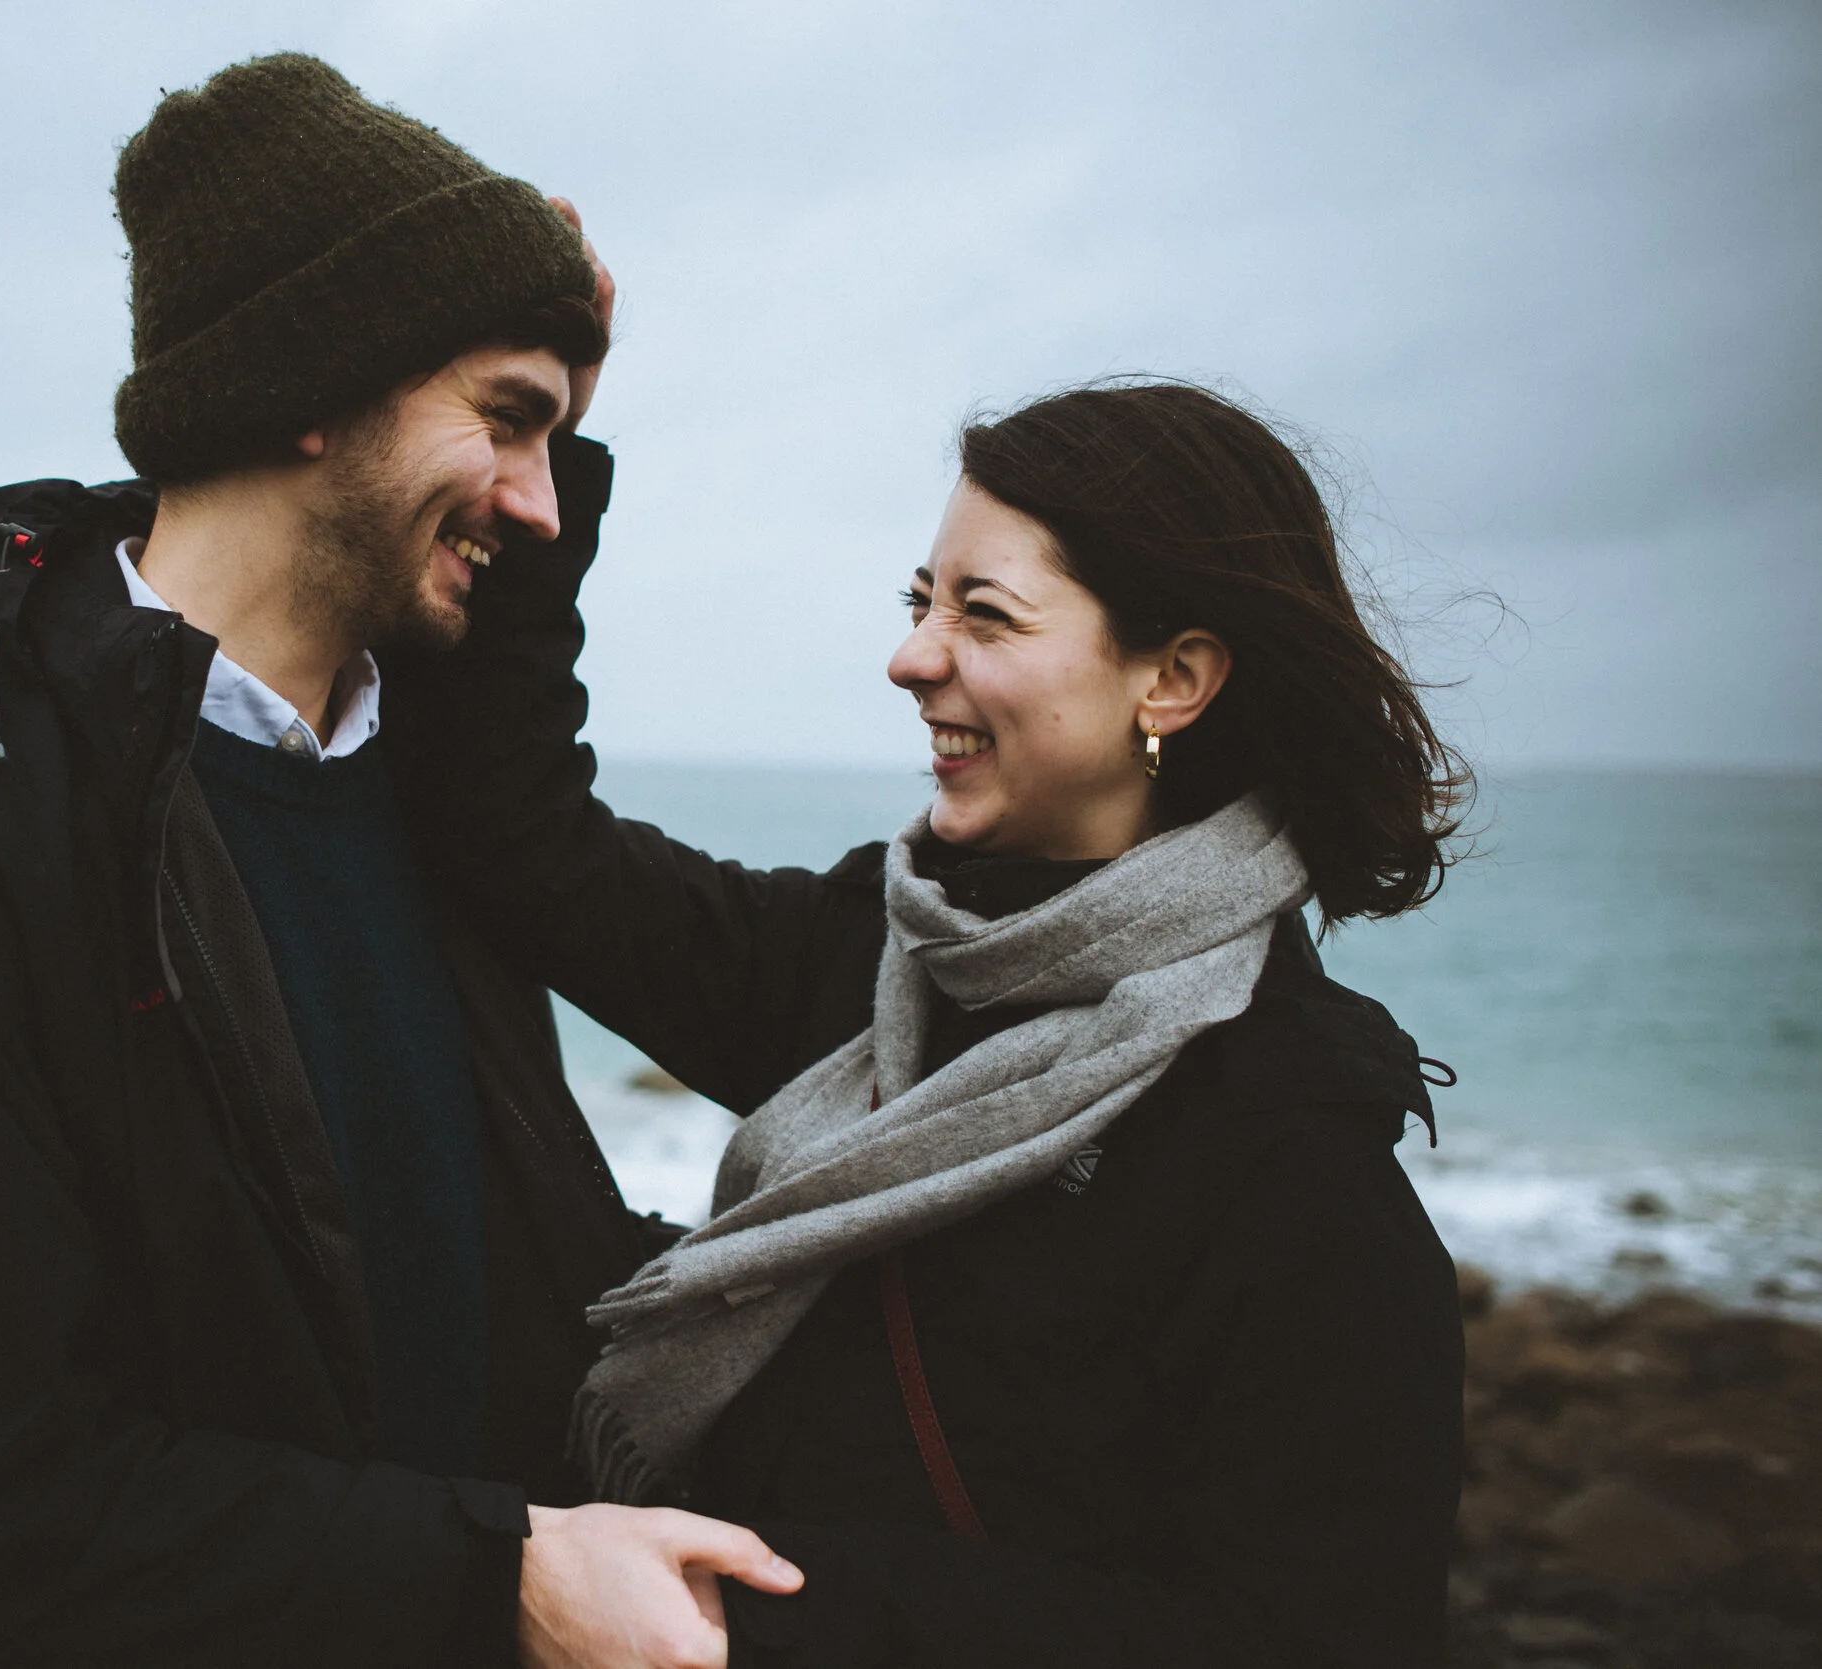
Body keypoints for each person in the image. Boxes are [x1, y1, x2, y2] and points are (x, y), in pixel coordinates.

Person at [0, 54, 797, 1668]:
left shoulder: (443, 801)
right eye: (509, 422)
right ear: (314, 381)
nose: (539, 505)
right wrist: (499, 1573)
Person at [379, 381, 1472, 1665]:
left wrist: (772, 1616)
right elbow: (519, 840)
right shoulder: (878, 955)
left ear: (1171, 678)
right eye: (921, 601)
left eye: (984, 614)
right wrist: (536, 451)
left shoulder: (1288, 1147)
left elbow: (1302, 1639)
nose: (912, 656)